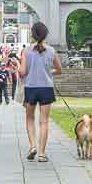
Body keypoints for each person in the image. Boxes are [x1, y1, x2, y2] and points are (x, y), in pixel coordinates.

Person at [18, 22, 61, 162]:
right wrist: (49, 72)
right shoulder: (52, 51)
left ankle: (32, 147)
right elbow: (59, 70)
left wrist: (18, 68)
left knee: (30, 119)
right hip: (46, 88)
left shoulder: (26, 51)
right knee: (44, 122)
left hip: (31, 88)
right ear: (45, 34)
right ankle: (42, 154)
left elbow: (23, 72)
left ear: (32, 34)